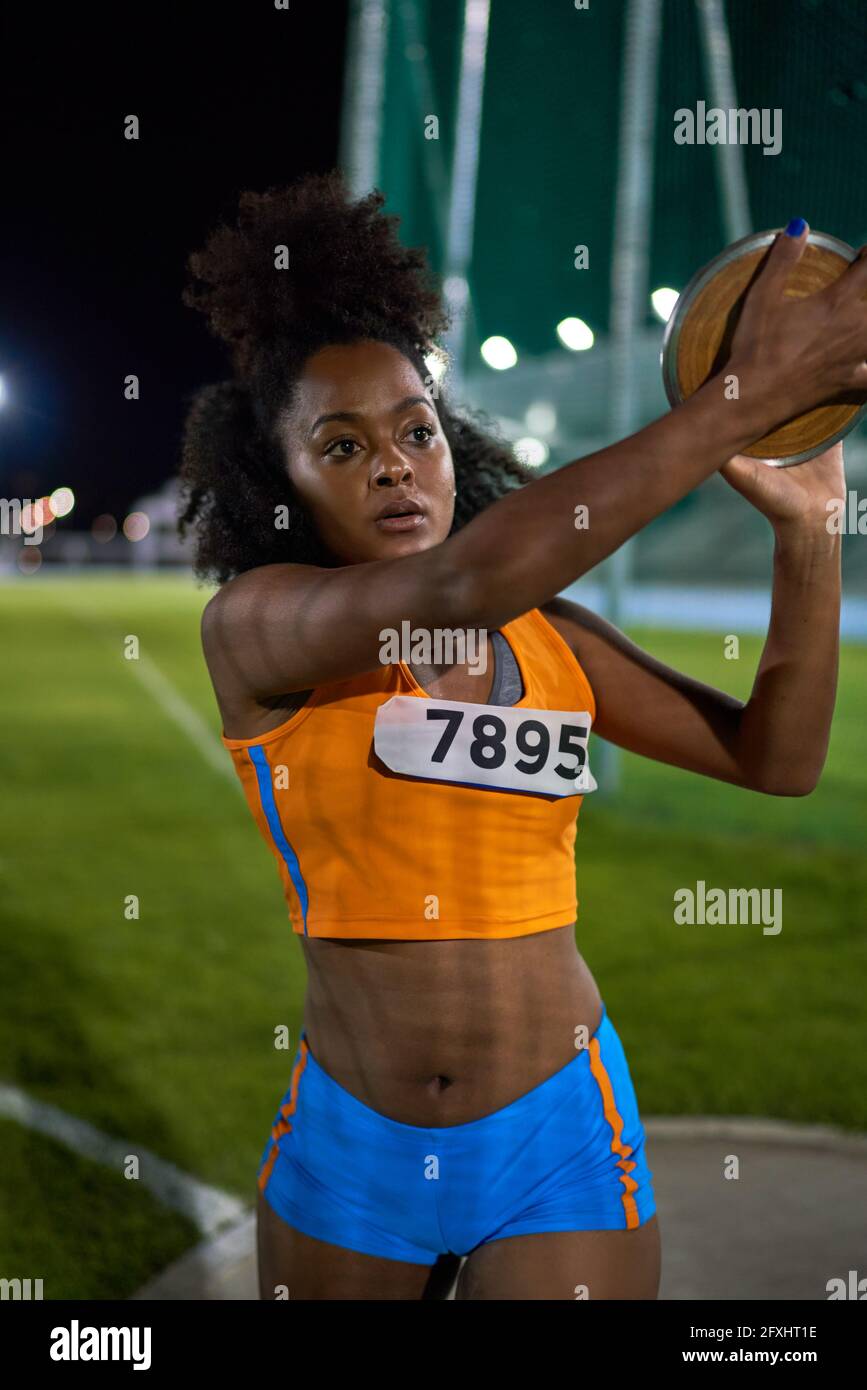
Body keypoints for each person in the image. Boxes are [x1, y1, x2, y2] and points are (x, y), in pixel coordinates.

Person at [178, 173, 866, 1299]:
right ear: (280, 487)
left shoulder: (553, 645)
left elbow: (777, 760)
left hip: (558, 1141)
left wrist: (811, 534)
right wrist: (742, 398)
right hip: (353, 1151)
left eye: (416, 430)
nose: (398, 462)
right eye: (342, 448)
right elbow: (462, 580)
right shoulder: (259, 631)